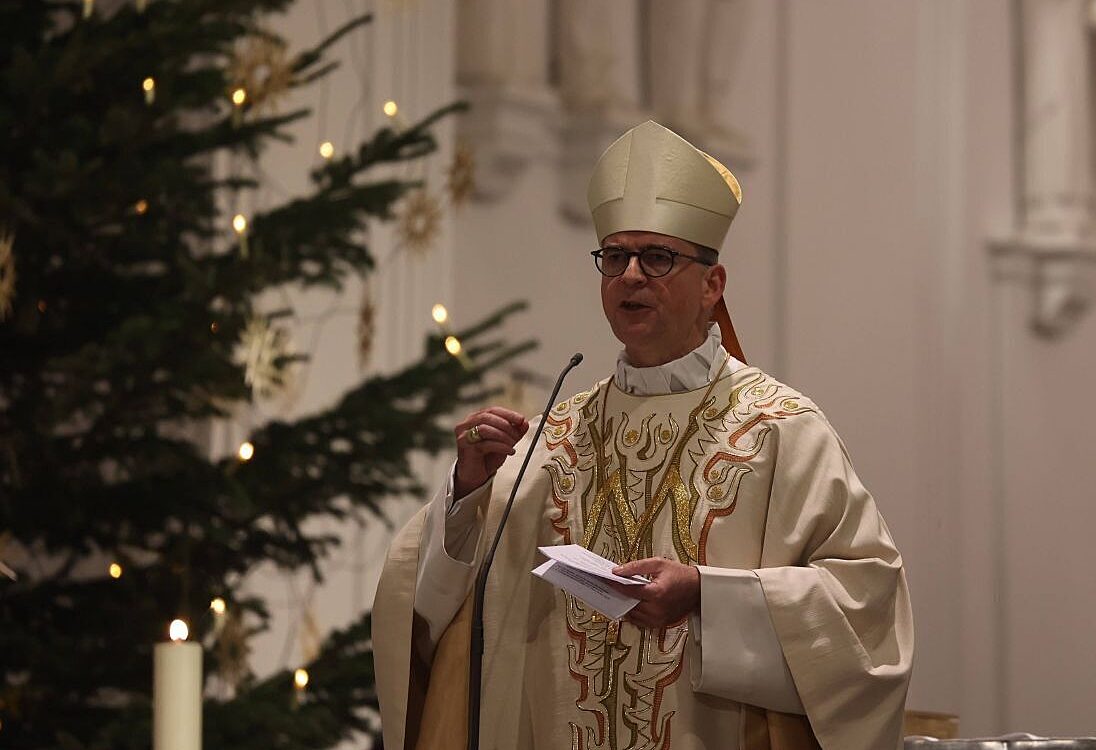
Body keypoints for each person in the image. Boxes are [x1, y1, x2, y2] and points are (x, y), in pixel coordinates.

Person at [372, 120, 913, 750]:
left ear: (713, 285)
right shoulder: (552, 441)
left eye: (657, 257)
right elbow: (432, 607)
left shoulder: (780, 432)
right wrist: (467, 491)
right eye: (614, 257)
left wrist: (708, 596)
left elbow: (868, 611)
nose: (630, 275)